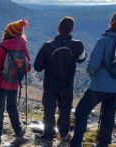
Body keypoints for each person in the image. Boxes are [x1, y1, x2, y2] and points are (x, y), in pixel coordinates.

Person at [71, 10, 116, 147]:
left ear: (113, 22)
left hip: (99, 86)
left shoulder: (103, 41)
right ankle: (103, 143)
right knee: (108, 115)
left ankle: (76, 142)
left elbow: (93, 66)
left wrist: (91, 74)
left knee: (81, 111)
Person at [33, 16, 86, 145]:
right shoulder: (78, 44)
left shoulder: (47, 46)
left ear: (58, 28)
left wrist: (47, 62)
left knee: (49, 110)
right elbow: (82, 59)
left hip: (50, 85)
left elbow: (37, 67)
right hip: (67, 85)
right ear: (71, 29)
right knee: (65, 110)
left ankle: (48, 136)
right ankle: (64, 135)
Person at [0, 19, 31, 146]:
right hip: (15, 83)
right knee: (12, 107)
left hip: (0, 83)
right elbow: (28, 67)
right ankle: (19, 134)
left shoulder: (3, 47)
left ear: (9, 32)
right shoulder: (23, 47)